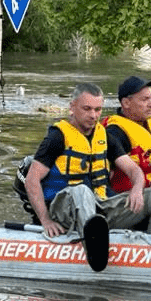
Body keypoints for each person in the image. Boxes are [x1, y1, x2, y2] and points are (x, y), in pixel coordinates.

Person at [23, 82, 118, 239]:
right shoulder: (57, 137)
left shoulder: (104, 136)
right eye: (87, 109)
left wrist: (137, 190)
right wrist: (45, 220)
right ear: (72, 107)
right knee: (82, 191)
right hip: (64, 210)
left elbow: (132, 168)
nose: (93, 115)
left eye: (97, 109)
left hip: (100, 205)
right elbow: (32, 180)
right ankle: (93, 246)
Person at [99, 76, 151, 235]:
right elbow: (101, 176)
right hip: (129, 200)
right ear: (126, 103)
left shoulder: (149, 122)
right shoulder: (116, 133)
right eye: (145, 99)